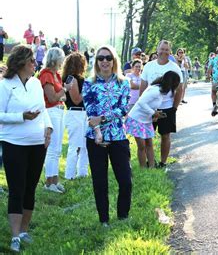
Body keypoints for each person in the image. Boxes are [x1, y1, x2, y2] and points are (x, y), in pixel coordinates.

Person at [0, 45, 53, 252]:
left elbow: (43, 109)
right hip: (14, 143)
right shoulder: (5, 85)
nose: (35, 64)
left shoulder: (36, 83)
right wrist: (21, 117)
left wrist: (48, 127)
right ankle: (14, 235)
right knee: (17, 189)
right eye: (32, 61)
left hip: (37, 143)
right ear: (22, 63)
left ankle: (24, 230)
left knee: (30, 187)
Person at [82, 45, 132, 225]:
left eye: (108, 58)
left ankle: (123, 216)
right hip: (95, 138)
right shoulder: (89, 83)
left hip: (118, 136)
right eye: (101, 58)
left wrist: (102, 118)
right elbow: (90, 110)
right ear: (96, 61)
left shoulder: (123, 82)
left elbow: (123, 109)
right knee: (100, 182)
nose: (104, 61)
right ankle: (104, 220)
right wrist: (97, 132)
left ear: (114, 61)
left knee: (125, 180)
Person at [140, 40, 183, 168]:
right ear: (157, 50)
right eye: (162, 49)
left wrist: (174, 107)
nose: (164, 52)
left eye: (166, 49)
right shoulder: (149, 66)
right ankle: (150, 162)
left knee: (165, 136)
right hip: (150, 108)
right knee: (147, 136)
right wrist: (142, 104)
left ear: (170, 51)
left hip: (167, 107)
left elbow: (180, 89)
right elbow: (143, 86)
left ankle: (163, 162)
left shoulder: (174, 67)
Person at [126, 71, 180, 168]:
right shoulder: (155, 90)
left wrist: (155, 114)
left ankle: (151, 168)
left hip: (146, 120)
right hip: (136, 119)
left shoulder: (161, 91)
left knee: (149, 144)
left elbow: (152, 104)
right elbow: (141, 102)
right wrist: (153, 113)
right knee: (141, 146)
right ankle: (142, 169)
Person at [38, 48, 69, 193]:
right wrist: (64, 90)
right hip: (51, 112)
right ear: (55, 59)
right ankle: (49, 182)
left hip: (59, 111)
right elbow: (52, 98)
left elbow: (61, 98)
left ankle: (54, 180)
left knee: (56, 149)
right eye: (61, 58)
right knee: (52, 149)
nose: (63, 61)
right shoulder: (46, 74)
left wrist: (61, 94)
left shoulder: (57, 75)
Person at [62, 53, 89, 180]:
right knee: (75, 145)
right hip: (75, 112)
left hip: (83, 113)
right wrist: (89, 91)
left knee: (84, 144)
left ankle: (82, 172)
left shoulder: (78, 78)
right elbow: (76, 99)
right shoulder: (71, 79)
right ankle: (70, 175)